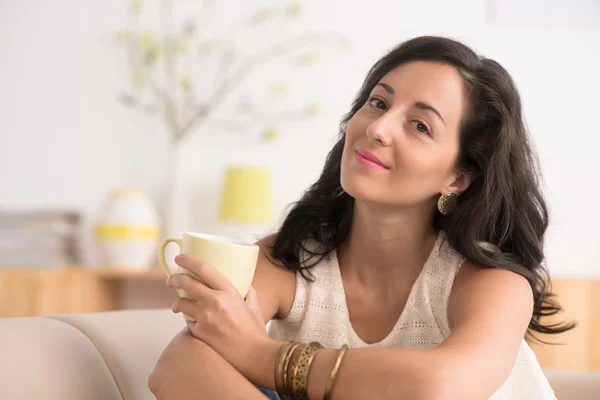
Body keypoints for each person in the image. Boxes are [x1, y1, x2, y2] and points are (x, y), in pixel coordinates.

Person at [148, 36, 574, 400]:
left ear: (458, 177)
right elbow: (179, 366)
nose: (379, 127)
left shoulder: (490, 283)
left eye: (420, 126)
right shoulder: (292, 258)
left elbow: (439, 385)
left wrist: (258, 355)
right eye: (378, 102)